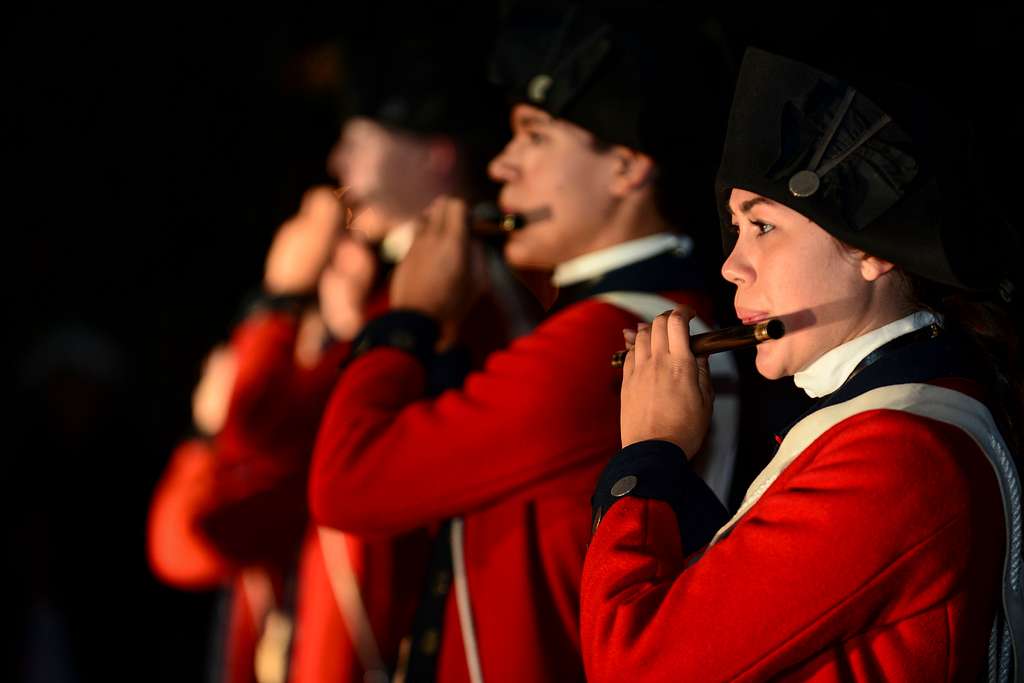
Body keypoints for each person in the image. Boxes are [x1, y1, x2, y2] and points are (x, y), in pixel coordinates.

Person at [309, 5, 736, 680]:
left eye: (533, 135)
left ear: (627, 166)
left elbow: (348, 484)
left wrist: (407, 317)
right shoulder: (624, 315)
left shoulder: (602, 338)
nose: (503, 164)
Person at [580, 46, 1023, 682]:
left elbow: (635, 666)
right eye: (734, 230)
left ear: (871, 252)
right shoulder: (888, 421)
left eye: (762, 227)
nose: (733, 265)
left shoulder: (897, 451)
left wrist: (648, 455)